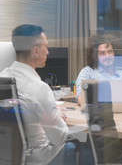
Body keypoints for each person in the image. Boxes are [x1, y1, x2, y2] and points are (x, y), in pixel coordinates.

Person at [0, 24, 75, 165]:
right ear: (35, 50)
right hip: (37, 159)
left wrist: (51, 111)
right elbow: (60, 137)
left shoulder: (2, 78)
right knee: (84, 148)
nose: (47, 52)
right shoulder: (40, 89)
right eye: (45, 47)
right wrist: (56, 115)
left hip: (9, 157)